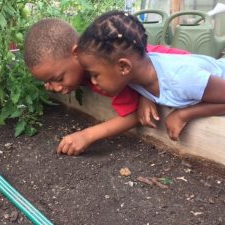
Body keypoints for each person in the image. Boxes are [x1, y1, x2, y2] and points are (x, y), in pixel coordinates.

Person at [23, 18, 189, 156]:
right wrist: (146, 95)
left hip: (188, 73)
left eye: (58, 79)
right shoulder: (92, 69)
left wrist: (87, 135)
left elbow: (133, 115)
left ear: (76, 53)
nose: (54, 88)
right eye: (46, 82)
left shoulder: (109, 72)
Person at [76, 10, 225, 141]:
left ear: (123, 67)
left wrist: (183, 114)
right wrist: (145, 97)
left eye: (95, 74)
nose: (93, 81)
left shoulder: (181, 78)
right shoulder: (139, 73)